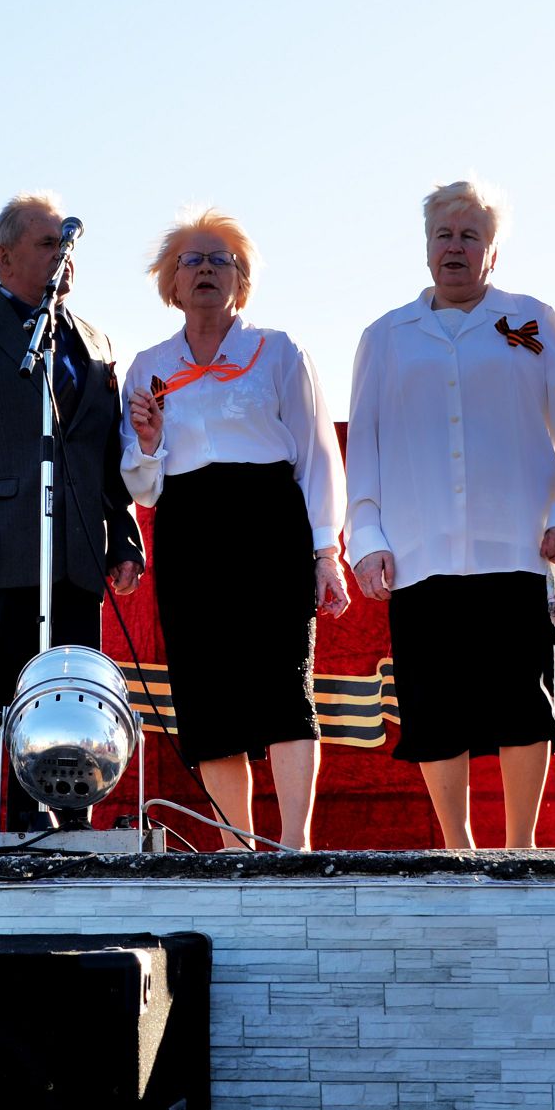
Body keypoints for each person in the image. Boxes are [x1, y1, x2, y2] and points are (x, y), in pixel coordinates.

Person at [346, 181, 555, 850]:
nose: (454, 247)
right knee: (434, 709)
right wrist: (366, 537)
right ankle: (458, 850)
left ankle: (521, 848)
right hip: (419, 552)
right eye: (444, 234)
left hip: (519, 546)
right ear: (426, 245)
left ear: (492, 252)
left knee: (525, 702)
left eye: (470, 236)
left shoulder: (532, 319)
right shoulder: (385, 336)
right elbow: (365, 445)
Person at [0, 193, 145, 833]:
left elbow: (103, 453)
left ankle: (57, 837)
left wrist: (122, 537)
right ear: (4, 256)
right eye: (48, 244)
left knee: (64, 713)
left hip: (73, 563)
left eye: (67, 245)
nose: (63, 257)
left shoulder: (95, 342)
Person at [122, 207, 347, 850]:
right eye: (191, 260)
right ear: (170, 280)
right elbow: (142, 484)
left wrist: (325, 551)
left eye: (221, 260)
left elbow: (317, 455)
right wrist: (149, 442)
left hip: (270, 523)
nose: (206, 270)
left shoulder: (279, 351)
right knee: (208, 695)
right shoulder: (147, 365)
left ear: (241, 280)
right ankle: (237, 848)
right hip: (189, 530)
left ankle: (295, 844)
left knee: (283, 685)